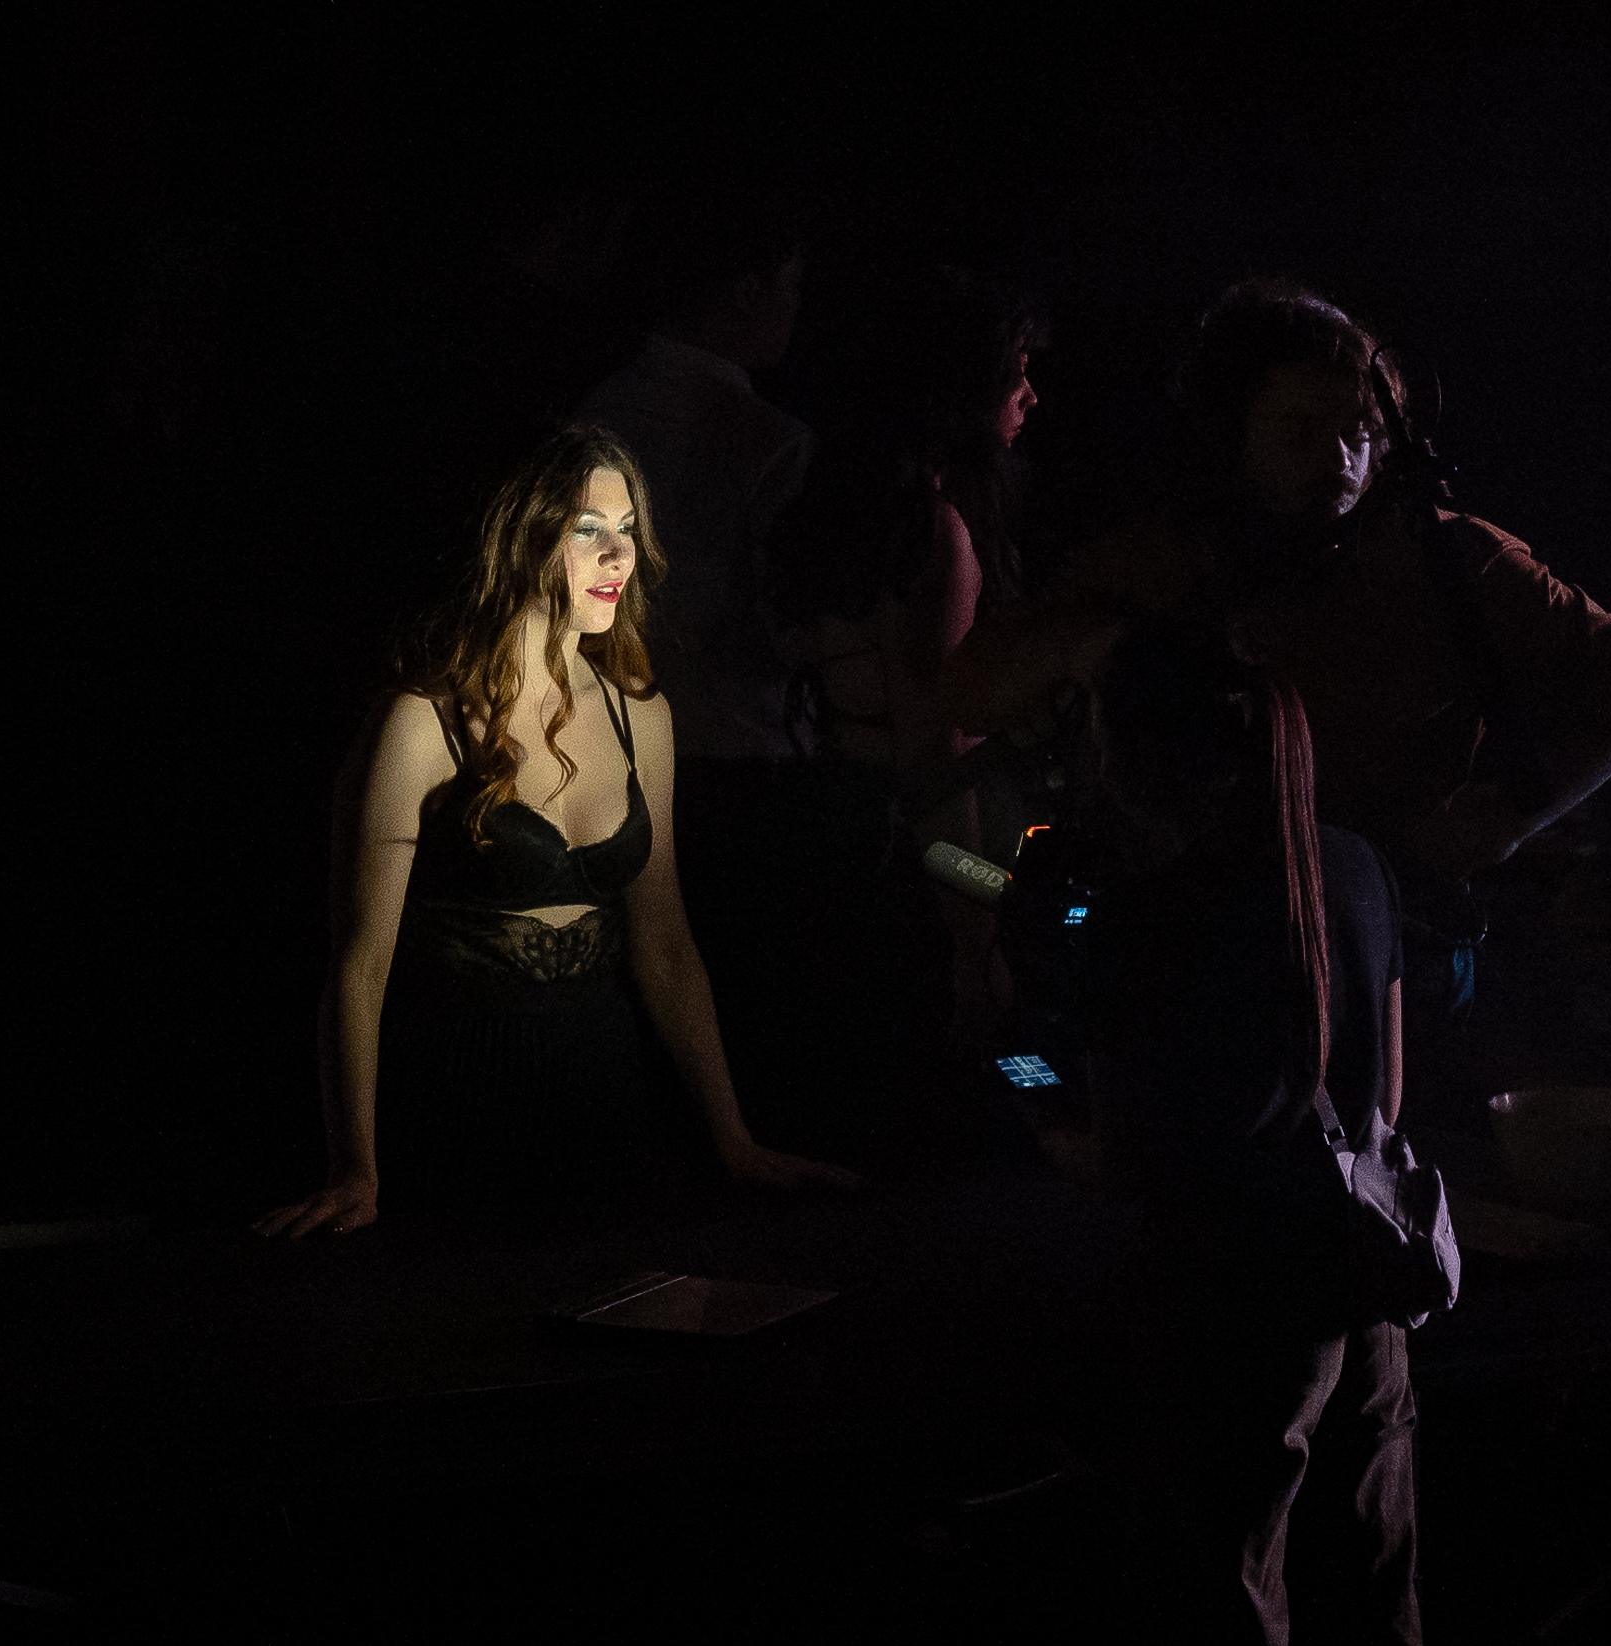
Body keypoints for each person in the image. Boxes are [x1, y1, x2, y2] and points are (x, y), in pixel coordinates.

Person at [1056, 624, 1453, 1646]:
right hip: (1365, 1306)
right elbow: (1382, 1095)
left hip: (1232, 1318)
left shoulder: (1146, 916)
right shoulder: (1357, 869)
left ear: (1140, 760)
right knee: (1379, 1638)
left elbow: (1117, 1158)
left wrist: (1017, 1082)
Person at [948, 281, 1611, 1010]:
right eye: (1299, 431)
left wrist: (1513, 812)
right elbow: (969, 689)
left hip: (1376, 948)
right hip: (1181, 949)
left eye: (1358, 431)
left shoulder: (1448, 559)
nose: (1338, 457)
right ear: (1233, 435)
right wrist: (1096, 645)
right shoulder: (1166, 556)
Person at [257, 427, 849, 1235]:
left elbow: (666, 944)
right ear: (519, 538)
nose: (618, 554)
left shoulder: (641, 715)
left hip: (603, 1092)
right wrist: (355, 1168)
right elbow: (360, 963)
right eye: (587, 528)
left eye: (628, 529)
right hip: (457, 1091)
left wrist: (733, 1139)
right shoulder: (423, 721)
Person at [762, 264, 1048, 1149]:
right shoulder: (936, 533)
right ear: (961, 387)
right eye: (1016, 374)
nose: (1031, 397)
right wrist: (979, 930)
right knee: (998, 1074)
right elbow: (934, 762)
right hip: (917, 867)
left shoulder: (839, 515)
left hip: (836, 840)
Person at [573, 192, 822, 1109]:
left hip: (598, 755)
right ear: (744, 289)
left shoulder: (590, 415)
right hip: (732, 762)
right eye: (790, 284)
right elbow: (772, 629)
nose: (798, 307)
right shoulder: (768, 443)